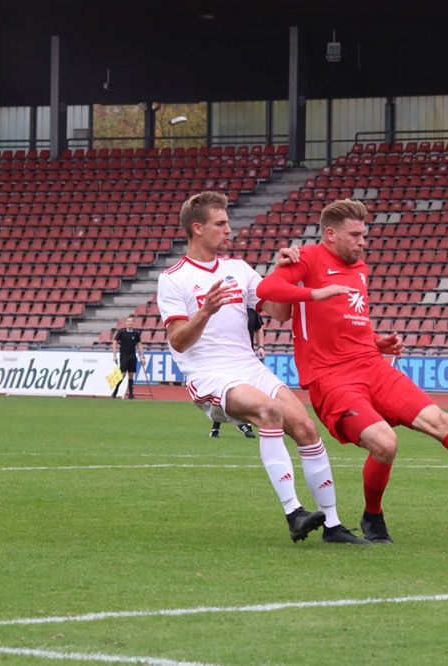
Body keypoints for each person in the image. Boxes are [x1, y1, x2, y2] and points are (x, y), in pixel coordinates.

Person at [257, 198, 448, 544]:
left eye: (363, 235)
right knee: (385, 444)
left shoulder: (360, 269)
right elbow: (267, 291)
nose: (362, 242)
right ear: (330, 235)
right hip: (332, 378)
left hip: (371, 366)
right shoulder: (307, 257)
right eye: (355, 235)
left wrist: (376, 342)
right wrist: (315, 292)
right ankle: (374, 514)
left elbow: (347, 322)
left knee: (440, 421)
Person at [157, 191, 368, 545]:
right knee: (269, 411)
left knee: (304, 426)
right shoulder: (173, 278)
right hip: (209, 374)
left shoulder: (237, 269)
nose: (228, 229)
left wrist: (285, 272)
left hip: (248, 366)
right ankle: (294, 513)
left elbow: (280, 311)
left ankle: (332, 526)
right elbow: (177, 340)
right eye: (220, 223)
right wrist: (206, 310)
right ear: (197, 228)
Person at [210, 306, 263, 439]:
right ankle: (216, 426)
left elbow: (258, 327)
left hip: (247, 356)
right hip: (228, 355)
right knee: (223, 389)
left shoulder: (252, 310)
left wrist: (261, 346)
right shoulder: (228, 309)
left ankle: (244, 424)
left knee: (248, 389)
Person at [112, 315, 145, 399]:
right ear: (126, 323)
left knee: (131, 375)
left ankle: (131, 395)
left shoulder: (136, 334)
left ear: (133, 323)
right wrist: (114, 355)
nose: (130, 323)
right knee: (122, 374)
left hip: (132, 356)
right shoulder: (121, 332)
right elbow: (115, 342)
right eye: (128, 321)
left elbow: (139, 345)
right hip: (124, 355)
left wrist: (143, 356)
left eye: (131, 321)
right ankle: (115, 391)